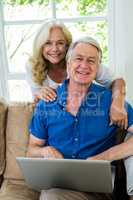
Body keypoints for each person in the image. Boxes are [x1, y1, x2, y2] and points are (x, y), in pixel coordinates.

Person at [27, 36, 133, 200]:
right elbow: (31, 150)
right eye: (78, 59)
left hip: (98, 190)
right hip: (58, 185)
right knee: (52, 195)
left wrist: (104, 157)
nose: (84, 66)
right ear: (68, 64)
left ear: (98, 68)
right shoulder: (47, 104)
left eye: (91, 61)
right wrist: (44, 151)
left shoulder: (110, 101)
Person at [26, 19, 127, 129]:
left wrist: (118, 103)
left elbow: (117, 81)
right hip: (56, 123)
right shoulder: (32, 66)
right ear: (40, 46)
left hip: (84, 116)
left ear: (67, 45)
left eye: (60, 43)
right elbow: (37, 104)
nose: (54, 49)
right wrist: (38, 94)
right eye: (48, 43)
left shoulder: (82, 63)